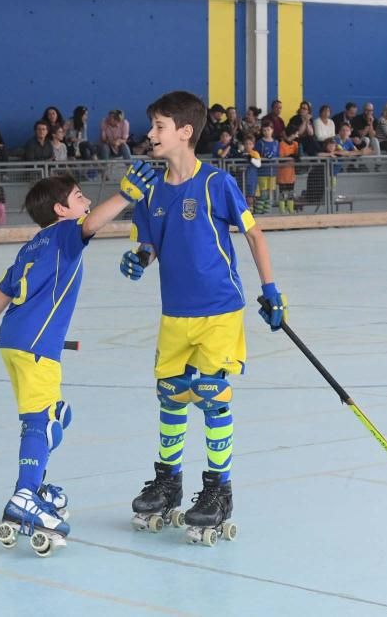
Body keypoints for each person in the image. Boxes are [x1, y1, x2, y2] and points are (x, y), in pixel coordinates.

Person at [0, 165, 158, 551]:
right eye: (79, 197)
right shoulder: (65, 235)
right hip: (36, 346)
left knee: (57, 416)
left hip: (14, 340)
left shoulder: (33, 244)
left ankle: (32, 486)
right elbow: (92, 223)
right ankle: (25, 496)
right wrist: (126, 195)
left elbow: (5, 288)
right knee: (41, 422)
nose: (87, 202)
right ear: (61, 210)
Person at [120, 91, 286, 544]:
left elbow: (254, 237)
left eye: (159, 126)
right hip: (175, 312)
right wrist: (139, 259)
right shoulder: (150, 191)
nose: (150, 134)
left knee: (212, 394)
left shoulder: (217, 184)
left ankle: (218, 489)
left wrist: (270, 290)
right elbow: (149, 244)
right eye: (151, 126)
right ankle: (168, 480)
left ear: (185, 132)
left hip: (219, 309)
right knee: (171, 395)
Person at [252, 123, 280, 213]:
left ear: (272, 130)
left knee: (270, 193)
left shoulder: (276, 143)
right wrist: (263, 157)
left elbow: (278, 155)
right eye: (264, 130)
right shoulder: (260, 142)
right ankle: (260, 211)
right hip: (262, 172)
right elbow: (256, 155)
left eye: (268, 130)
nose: (266, 132)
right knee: (263, 193)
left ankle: (267, 211)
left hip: (272, 172)